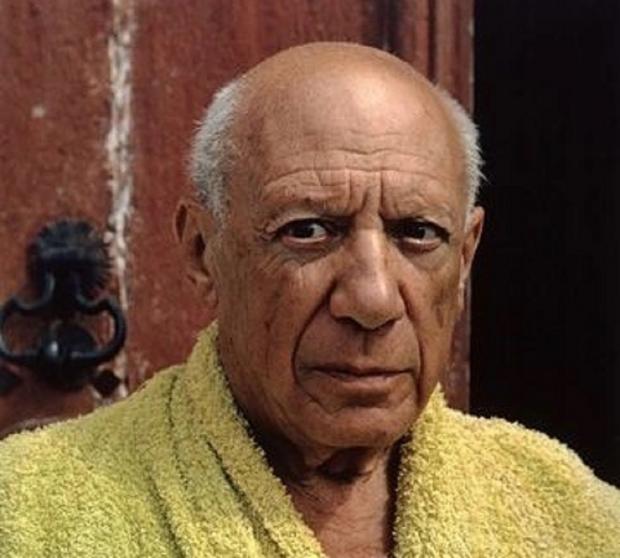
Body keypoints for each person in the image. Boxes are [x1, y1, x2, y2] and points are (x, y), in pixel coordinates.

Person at [0, 43, 618, 557]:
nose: (373, 298)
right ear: (202, 251)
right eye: (309, 230)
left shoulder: (570, 516)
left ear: (465, 258)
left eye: (418, 232)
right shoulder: (31, 514)